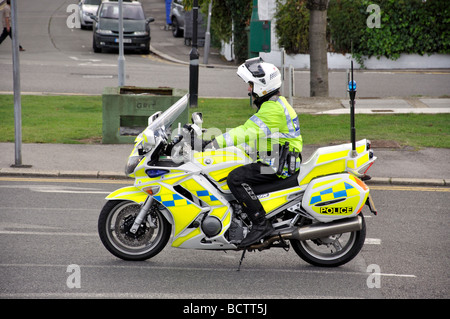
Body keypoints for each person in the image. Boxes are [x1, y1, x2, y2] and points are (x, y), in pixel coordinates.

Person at [205, 57, 303, 247]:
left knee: (235, 178)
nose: (248, 89)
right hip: (276, 158)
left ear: (262, 85)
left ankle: (260, 223)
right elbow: (255, 136)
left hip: (276, 165)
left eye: (251, 85)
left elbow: (246, 131)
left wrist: (212, 141)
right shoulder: (273, 105)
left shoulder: (272, 109)